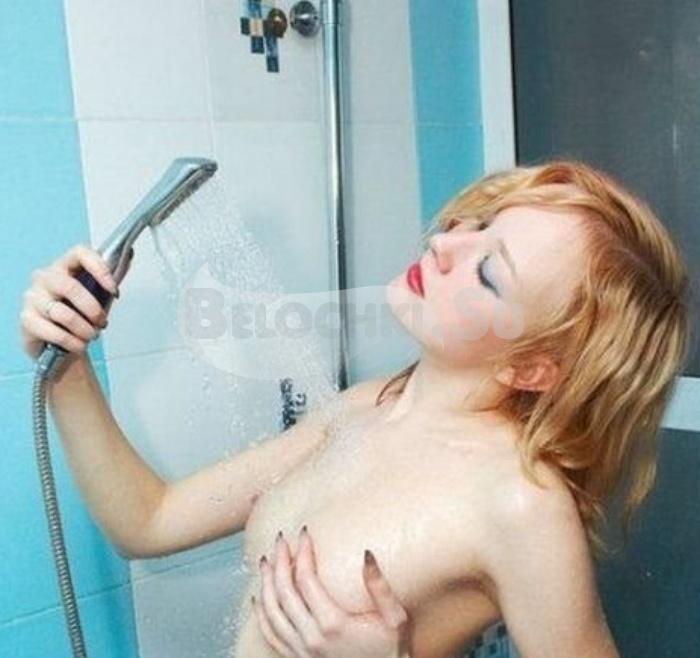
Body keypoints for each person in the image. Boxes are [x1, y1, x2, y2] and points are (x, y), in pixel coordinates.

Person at [19, 160, 691, 658]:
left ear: (532, 367)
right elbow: (149, 522)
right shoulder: (370, 406)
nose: (446, 242)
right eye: (480, 224)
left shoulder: (520, 503)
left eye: (489, 272)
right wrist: (68, 363)